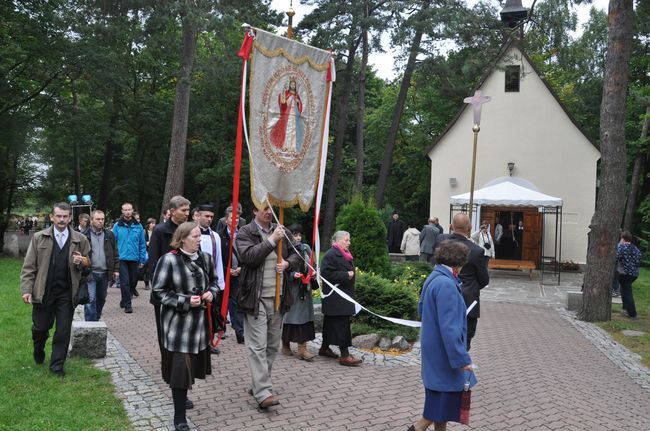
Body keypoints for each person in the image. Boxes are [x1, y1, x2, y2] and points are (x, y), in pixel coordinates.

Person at [152, 222, 218, 431]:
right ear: (182, 239)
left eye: (200, 236)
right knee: (180, 369)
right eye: (196, 236)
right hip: (177, 326)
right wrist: (185, 301)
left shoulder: (206, 258)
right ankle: (179, 417)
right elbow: (158, 292)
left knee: (190, 368)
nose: (200, 239)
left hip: (199, 327)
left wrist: (211, 293)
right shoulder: (168, 260)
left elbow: (215, 283)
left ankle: (183, 400)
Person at [408, 241, 477, 431]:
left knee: (441, 411)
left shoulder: (435, 276)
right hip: (444, 357)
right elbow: (450, 329)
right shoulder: (446, 284)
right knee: (435, 411)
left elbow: (422, 308)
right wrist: (462, 359)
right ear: (459, 263)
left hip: (434, 352)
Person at [235, 204, 299, 409]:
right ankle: (263, 392)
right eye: (263, 208)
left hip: (279, 297)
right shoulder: (246, 232)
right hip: (255, 298)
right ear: (254, 211)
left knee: (272, 346)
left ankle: (259, 383)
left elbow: (298, 253)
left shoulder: (283, 230)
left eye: (270, 209)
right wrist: (272, 240)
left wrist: (288, 263)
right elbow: (249, 258)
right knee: (257, 346)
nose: (268, 212)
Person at [20, 202, 91, 376]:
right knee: (41, 328)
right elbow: (29, 267)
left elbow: (89, 264)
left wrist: (82, 261)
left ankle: (57, 366)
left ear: (70, 217)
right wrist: (26, 289)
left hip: (67, 293)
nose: (61, 219)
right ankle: (39, 348)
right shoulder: (39, 237)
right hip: (43, 291)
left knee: (63, 331)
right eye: (58, 216)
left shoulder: (80, 239)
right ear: (52, 217)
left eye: (65, 216)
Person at [435, 213, 489, 351]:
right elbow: (483, 280)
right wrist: (469, 287)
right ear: (470, 228)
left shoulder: (440, 242)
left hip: (442, 298)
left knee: (441, 341)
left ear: (451, 226)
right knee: (463, 345)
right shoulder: (477, 251)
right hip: (467, 301)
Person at [319, 231, 362, 367]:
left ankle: (324, 348)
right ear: (337, 241)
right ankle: (345, 355)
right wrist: (345, 275)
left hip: (342, 295)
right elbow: (325, 274)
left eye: (349, 240)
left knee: (330, 323)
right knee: (342, 325)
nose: (349, 243)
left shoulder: (344, 254)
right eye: (346, 240)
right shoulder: (330, 255)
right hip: (336, 297)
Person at [281, 224, 317, 361]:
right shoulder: (284, 249)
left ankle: (302, 348)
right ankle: (285, 344)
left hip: (305, 289)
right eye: (295, 234)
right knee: (291, 318)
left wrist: (313, 273)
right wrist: (292, 275)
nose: (298, 237)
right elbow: (281, 269)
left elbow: (312, 264)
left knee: (304, 319)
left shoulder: (305, 248)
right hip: (291, 290)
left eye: (300, 234)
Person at [196, 203, 225, 354]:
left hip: (212, 282)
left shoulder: (216, 236)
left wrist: (220, 283)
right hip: (195, 281)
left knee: (212, 314)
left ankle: (210, 343)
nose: (209, 219)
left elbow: (218, 259)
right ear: (198, 215)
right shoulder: (192, 234)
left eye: (211, 217)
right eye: (206, 216)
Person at [84, 210, 119, 321]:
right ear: (91, 220)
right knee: (91, 299)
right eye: (98, 219)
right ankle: (90, 324)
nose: (100, 221)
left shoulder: (109, 235)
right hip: (90, 272)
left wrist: (116, 269)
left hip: (105, 273)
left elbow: (115, 253)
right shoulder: (84, 235)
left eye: (102, 219)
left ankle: (96, 318)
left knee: (101, 298)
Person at [216, 206, 245, 344]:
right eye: (233, 218)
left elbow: (247, 254)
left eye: (238, 218)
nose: (236, 220)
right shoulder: (219, 235)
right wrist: (226, 270)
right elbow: (217, 257)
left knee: (238, 303)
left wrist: (241, 267)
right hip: (224, 274)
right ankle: (221, 329)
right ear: (226, 219)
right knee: (223, 303)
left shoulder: (244, 234)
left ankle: (240, 332)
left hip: (239, 274)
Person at [112, 202, 147, 312]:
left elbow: (142, 243)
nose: (127, 212)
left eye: (129, 210)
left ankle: (124, 299)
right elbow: (113, 243)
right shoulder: (117, 226)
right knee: (125, 282)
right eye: (125, 210)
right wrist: (114, 259)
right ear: (122, 212)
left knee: (133, 281)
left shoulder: (138, 226)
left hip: (134, 258)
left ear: (132, 211)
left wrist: (142, 259)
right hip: (122, 258)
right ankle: (128, 305)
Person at [617, 231, 641, 319]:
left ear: (622, 238)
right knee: (624, 290)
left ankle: (632, 314)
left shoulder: (621, 247)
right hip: (634, 274)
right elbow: (638, 262)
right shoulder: (636, 249)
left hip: (624, 273)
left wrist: (619, 245)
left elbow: (617, 257)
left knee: (627, 292)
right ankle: (625, 308)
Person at [143, 218, 157, 290]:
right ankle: (146, 282)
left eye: (154, 223)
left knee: (150, 267)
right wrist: (146, 243)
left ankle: (150, 282)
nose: (153, 225)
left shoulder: (156, 231)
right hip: (146, 251)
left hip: (153, 251)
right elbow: (141, 241)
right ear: (148, 224)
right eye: (151, 223)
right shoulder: (144, 231)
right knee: (146, 267)